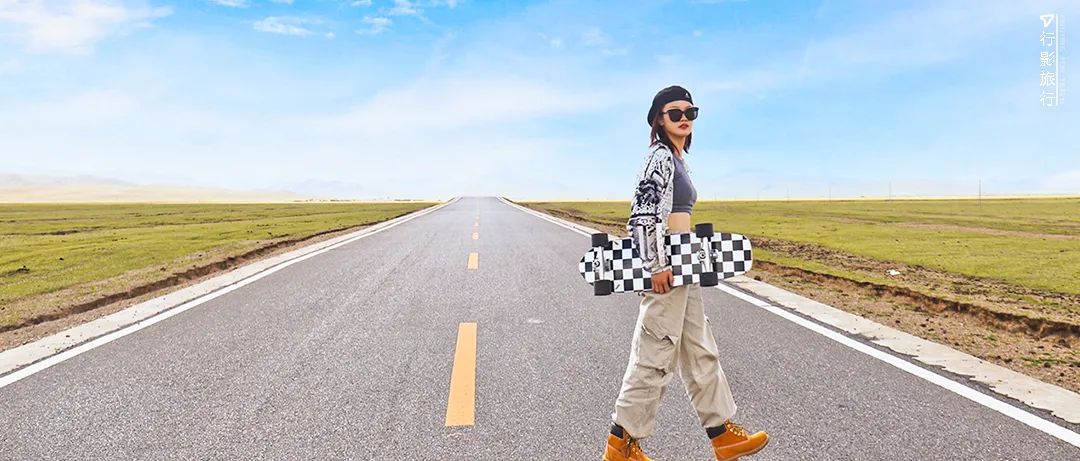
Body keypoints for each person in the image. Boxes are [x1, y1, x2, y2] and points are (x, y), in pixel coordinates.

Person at [603, 85, 770, 461]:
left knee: (699, 350)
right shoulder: (659, 158)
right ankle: (621, 444)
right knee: (655, 353)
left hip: (684, 266)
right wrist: (656, 265)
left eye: (690, 112)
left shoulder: (679, 159)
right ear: (658, 120)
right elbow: (642, 215)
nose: (684, 119)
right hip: (666, 268)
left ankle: (722, 434)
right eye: (674, 113)